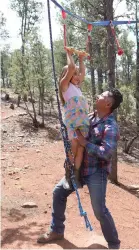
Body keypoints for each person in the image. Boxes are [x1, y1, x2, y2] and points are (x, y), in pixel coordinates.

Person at [37, 88, 123, 249]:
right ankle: (57, 231)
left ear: (108, 103)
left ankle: (114, 244)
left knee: (99, 210)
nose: (97, 95)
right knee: (58, 192)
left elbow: (106, 153)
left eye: (102, 95)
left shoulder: (110, 126)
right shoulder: (89, 117)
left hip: (96, 172)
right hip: (78, 168)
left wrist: (84, 143)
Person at [59, 46, 89, 187]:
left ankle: (76, 175)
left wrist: (81, 59)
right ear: (67, 75)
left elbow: (82, 72)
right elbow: (71, 68)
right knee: (74, 146)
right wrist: (69, 55)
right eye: (74, 74)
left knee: (81, 148)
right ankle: (68, 174)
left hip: (82, 122)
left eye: (77, 74)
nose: (77, 76)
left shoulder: (76, 87)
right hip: (73, 123)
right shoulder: (64, 86)